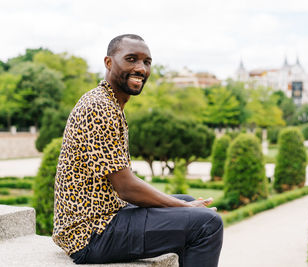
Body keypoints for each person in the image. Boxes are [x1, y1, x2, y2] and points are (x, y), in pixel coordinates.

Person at [52, 34, 223, 267]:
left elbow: (122, 184)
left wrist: (184, 205)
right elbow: (126, 188)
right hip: (91, 235)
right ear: (109, 62)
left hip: (101, 219)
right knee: (207, 224)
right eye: (131, 59)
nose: (140, 68)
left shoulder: (108, 101)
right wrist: (183, 208)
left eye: (146, 62)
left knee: (189, 201)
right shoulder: (100, 107)